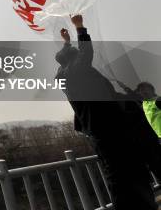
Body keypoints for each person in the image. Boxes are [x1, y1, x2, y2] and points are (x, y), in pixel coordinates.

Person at [56, 15, 157, 210]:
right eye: (76, 54)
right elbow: (86, 52)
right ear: (74, 59)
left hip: (100, 130)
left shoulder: (65, 76)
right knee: (127, 174)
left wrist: (66, 43)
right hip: (109, 127)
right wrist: (80, 27)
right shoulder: (76, 70)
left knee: (120, 175)